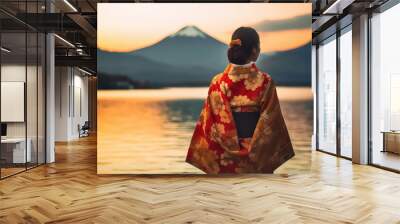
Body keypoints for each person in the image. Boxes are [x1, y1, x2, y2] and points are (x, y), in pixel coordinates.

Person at [186, 27, 294, 174]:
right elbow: (271, 123)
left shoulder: (217, 82)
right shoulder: (265, 81)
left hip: (223, 155)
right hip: (255, 154)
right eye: (259, 46)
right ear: (254, 51)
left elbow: (208, 125)